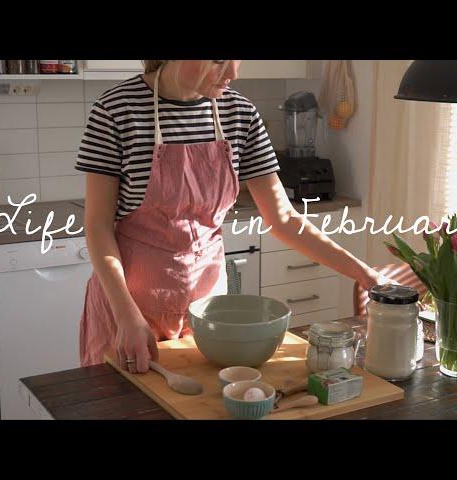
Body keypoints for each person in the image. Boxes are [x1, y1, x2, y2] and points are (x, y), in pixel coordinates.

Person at [75, 60, 387, 374]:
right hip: (128, 310)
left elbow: (283, 218)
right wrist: (126, 314)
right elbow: (98, 226)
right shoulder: (116, 111)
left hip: (206, 315)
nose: (233, 73)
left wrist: (363, 273)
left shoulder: (239, 114)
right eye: (218, 61)